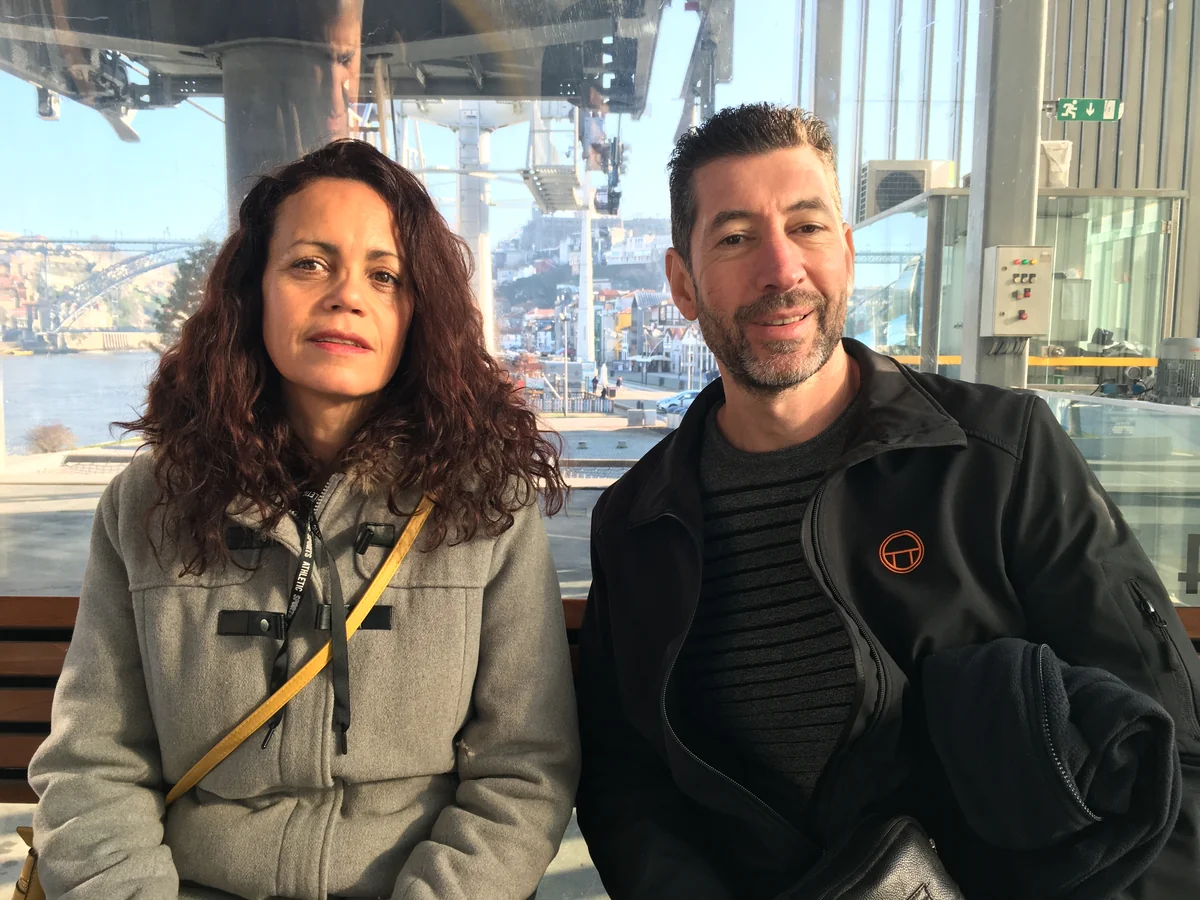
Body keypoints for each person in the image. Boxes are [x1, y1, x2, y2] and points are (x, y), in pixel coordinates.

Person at [575, 103, 1200, 899]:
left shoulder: (999, 457)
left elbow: (1168, 746)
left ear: (845, 252)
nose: (781, 269)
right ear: (682, 284)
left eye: (806, 227)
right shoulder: (636, 525)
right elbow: (629, 781)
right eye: (734, 239)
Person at [29, 140, 580, 900]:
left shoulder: (484, 504)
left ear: (418, 313)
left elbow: (523, 769)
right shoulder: (150, 501)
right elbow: (94, 765)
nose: (347, 297)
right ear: (253, 290)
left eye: (384, 276)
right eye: (310, 264)